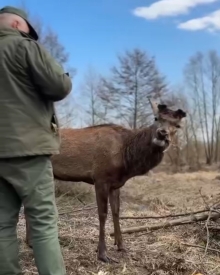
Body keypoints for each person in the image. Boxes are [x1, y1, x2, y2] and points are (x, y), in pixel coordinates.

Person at [0, 6, 72, 275]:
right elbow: (58, 86)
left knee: (1, 225)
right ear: (18, 24)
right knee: (42, 224)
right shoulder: (24, 47)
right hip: (27, 150)